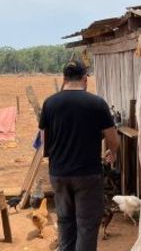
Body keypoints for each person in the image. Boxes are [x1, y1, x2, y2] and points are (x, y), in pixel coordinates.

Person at [39, 60, 120, 251]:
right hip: (88, 175)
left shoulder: (49, 103)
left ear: (64, 79)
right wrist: (113, 151)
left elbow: (44, 142)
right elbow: (112, 137)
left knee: (66, 222)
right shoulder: (97, 103)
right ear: (85, 79)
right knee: (87, 225)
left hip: (59, 174)